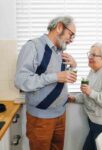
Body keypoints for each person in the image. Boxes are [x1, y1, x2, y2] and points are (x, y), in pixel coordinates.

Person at [15, 16, 77, 150]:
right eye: (71, 35)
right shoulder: (33, 47)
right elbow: (21, 81)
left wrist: (73, 66)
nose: (71, 40)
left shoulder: (60, 51)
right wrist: (55, 76)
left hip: (61, 114)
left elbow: (62, 79)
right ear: (59, 27)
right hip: (40, 118)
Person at [68, 43, 102, 150]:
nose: (90, 57)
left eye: (94, 55)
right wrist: (75, 98)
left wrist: (91, 92)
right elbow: (89, 97)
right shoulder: (93, 72)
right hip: (95, 122)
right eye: (90, 54)